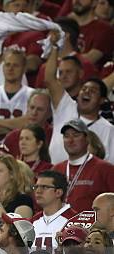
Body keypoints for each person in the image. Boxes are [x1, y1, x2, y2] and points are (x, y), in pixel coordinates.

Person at [45, 35, 114, 164]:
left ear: (102, 100)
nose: (86, 92)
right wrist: (54, 47)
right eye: (84, 89)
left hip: (87, 181)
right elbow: (49, 79)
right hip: (55, 178)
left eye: (93, 91)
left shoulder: (109, 130)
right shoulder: (66, 106)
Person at [52, 119, 114, 212]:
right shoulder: (56, 170)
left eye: (76, 135)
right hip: (60, 224)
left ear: (87, 139)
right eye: (66, 136)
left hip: (92, 225)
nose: (70, 140)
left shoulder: (105, 169)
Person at [0, 49, 35, 137]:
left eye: (15, 65)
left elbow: (32, 123)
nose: (10, 69)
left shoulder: (33, 96)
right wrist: (17, 126)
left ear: (24, 68)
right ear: (3, 67)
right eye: (7, 64)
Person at [32, 171, 76, 250]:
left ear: (58, 192)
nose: (38, 191)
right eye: (36, 187)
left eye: (44, 187)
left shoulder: (74, 221)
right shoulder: (32, 221)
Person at [3, 91, 53, 158]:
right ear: (27, 108)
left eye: (40, 109)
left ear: (49, 113)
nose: (34, 113)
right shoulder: (12, 137)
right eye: (32, 107)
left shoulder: (54, 136)